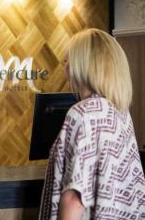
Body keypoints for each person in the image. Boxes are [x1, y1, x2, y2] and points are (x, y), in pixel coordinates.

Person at [39, 28, 145, 220]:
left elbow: (74, 198)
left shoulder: (83, 114)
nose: (65, 67)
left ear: (83, 64)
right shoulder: (120, 113)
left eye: (68, 60)